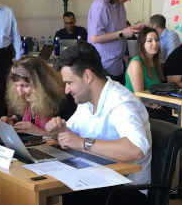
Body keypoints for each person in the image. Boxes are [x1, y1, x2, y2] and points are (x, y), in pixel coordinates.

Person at [45, 42, 151, 205]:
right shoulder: (86, 101)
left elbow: (136, 149)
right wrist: (60, 131)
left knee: (56, 197)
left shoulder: (122, 103)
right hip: (96, 178)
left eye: (69, 82)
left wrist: (81, 143)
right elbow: (72, 136)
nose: (66, 90)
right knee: (50, 193)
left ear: (87, 77)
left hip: (125, 190)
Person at [87, 0, 144, 84]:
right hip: (104, 65)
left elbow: (117, 30)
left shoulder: (119, 3)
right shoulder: (101, 6)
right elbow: (95, 38)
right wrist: (122, 33)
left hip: (118, 62)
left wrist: (132, 28)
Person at [0, 56, 76, 135]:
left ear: (41, 85)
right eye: (16, 86)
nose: (20, 93)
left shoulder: (63, 101)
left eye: (25, 86)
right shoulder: (27, 96)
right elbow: (23, 116)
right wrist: (12, 120)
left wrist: (38, 131)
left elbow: (70, 138)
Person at [125, 27, 163, 93]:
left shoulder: (155, 62)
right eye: (149, 41)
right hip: (136, 102)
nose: (155, 43)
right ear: (142, 45)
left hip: (153, 101)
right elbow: (140, 96)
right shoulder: (136, 63)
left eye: (156, 40)